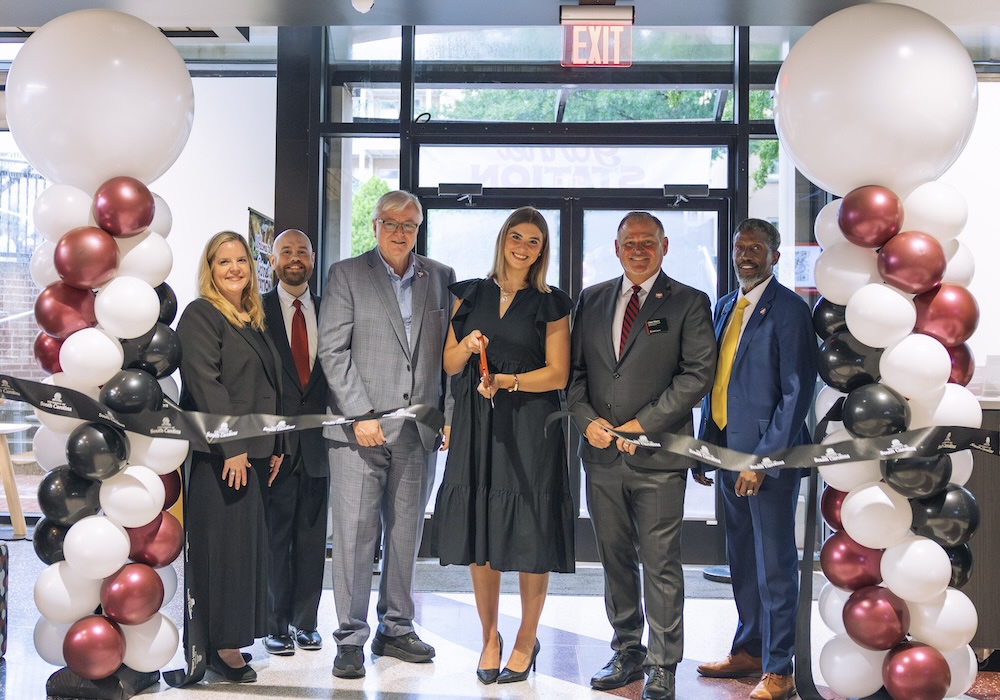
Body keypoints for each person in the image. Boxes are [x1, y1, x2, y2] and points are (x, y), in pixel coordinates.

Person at [567, 211, 716, 700]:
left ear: (664, 246)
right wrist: (588, 421)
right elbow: (577, 376)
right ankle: (627, 649)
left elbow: (697, 376)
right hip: (603, 457)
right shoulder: (591, 299)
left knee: (661, 563)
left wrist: (641, 424)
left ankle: (662, 663)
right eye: (629, 241)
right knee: (613, 560)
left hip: (657, 459)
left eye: (647, 241)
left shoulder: (691, 303)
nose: (638, 248)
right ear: (615, 248)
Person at [433, 206, 575, 685]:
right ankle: (489, 636)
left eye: (533, 241)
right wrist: (469, 346)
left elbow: (557, 373)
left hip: (531, 425)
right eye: (517, 237)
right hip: (478, 423)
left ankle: (525, 639)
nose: (523, 247)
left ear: (542, 250)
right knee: (482, 530)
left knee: (530, 531)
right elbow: (450, 365)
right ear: (503, 239)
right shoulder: (470, 294)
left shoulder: (551, 302)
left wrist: (510, 381)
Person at [318, 190, 456, 679]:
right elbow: (332, 351)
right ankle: (350, 638)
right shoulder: (347, 274)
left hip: (418, 432)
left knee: (406, 534)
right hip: (360, 433)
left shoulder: (439, 277)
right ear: (375, 226)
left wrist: (448, 412)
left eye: (410, 225)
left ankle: (396, 628)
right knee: (355, 537)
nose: (401, 232)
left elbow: (448, 357)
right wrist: (360, 412)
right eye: (391, 223)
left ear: (419, 229)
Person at [695, 219, 817, 700]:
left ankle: (779, 669)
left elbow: (796, 392)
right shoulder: (727, 305)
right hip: (726, 452)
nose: (746, 255)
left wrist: (762, 461)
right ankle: (748, 649)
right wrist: (706, 449)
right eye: (740, 247)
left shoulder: (789, 310)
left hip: (766, 464)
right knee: (742, 560)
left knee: (774, 566)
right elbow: (716, 382)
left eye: (757, 248)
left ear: (776, 256)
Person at [172, 231, 284, 684]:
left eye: (240, 260)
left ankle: (231, 640)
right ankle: (219, 647)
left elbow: (268, 389)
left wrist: (276, 445)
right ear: (210, 269)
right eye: (224, 261)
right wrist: (233, 448)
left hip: (253, 457)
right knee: (224, 556)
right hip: (221, 460)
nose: (234, 268)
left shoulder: (249, 318)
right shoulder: (202, 315)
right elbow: (205, 385)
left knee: (243, 554)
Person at [261, 229, 329, 656]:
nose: (295, 258)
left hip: (321, 445)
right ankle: (275, 625)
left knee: (312, 537)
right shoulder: (256, 312)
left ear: (313, 258)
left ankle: (306, 623)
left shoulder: (330, 309)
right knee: (274, 538)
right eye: (286, 251)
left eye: (302, 251)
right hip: (275, 448)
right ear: (272, 260)